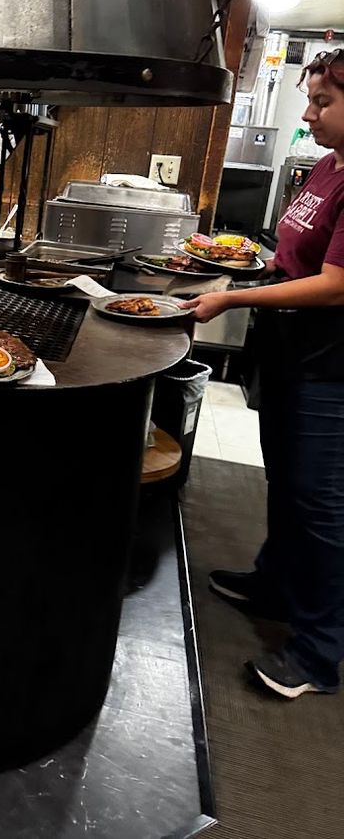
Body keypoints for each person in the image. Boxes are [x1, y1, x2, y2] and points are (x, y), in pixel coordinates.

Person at [182, 48, 344, 699]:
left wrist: (232, 297)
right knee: (285, 477)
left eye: (323, 102)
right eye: (309, 99)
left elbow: (335, 285)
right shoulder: (329, 167)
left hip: (331, 370)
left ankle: (318, 652)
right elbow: (290, 253)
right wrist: (237, 267)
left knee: (322, 505)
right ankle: (275, 583)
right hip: (289, 356)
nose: (308, 115)